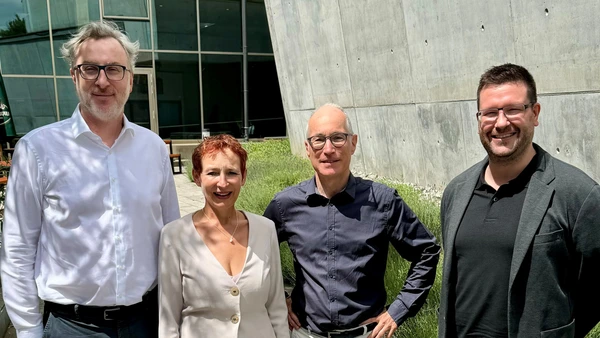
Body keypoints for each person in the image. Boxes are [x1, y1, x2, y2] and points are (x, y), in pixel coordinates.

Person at [0, 21, 180, 338]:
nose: (102, 81)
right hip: (72, 327)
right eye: (89, 69)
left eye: (113, 69)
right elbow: (17, 250)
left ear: (130, 79)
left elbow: (171, 235)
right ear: (74, 76)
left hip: (146, 321)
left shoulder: (153, 148)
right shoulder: (37, 150)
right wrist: (28, 330)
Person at [438, 63, 600, 337]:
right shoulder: (456, 191)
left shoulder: (577, 193)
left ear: (534, 114)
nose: (501, 123)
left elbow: (595, 290)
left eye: (513, 109)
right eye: (490, 113)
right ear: (479, 120)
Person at [264, 103, 441, 338]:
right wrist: (277, 298)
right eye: (318, 140)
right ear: (307, 148)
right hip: (305, 334)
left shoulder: (383, 201)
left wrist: (398, 311)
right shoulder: (285, 205)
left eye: (338, 138)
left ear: (353, 143)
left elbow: (426, 251)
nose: (328, 149)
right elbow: (256, 252)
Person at [159, 134, 288, 338]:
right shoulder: (174, 236)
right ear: (197, 176)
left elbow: (277, 309)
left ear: (243, 177)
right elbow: (168, 322)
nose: (222, 182)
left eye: (231, 173)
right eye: (212, 173)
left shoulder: (266, 230)